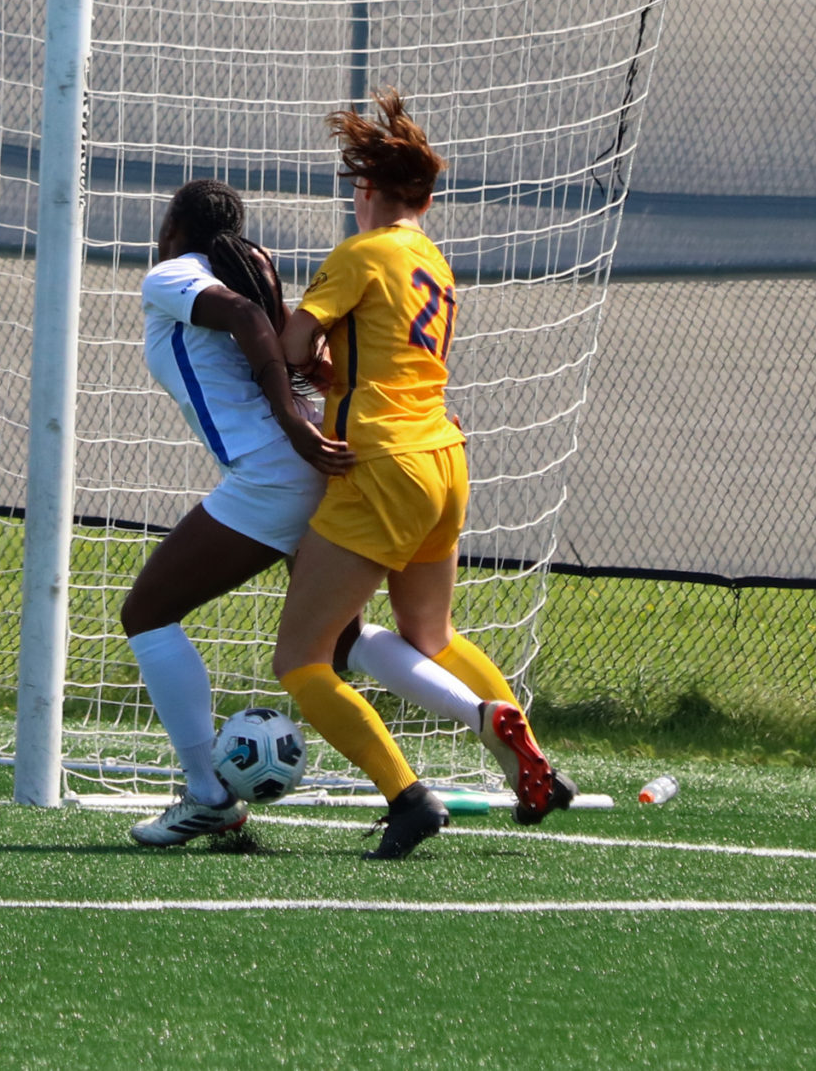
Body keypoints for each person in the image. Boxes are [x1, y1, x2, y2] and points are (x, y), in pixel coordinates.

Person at [119, 178, 543, 847]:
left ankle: (207, 793)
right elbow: (283, 341)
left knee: (147, 613)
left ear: (174, 227)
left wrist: (289, 418)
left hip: (272, 471)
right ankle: (485, 715)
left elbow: (251, 324)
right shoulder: (250, 261)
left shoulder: (175, 271)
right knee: (344, 638)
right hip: (319, 464)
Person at [271, 89, 573, 861]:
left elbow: (291, 346)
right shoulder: (433, 261)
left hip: (381, 463)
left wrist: (313, 359)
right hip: (444, 456)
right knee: (430, 634)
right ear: (428, 198)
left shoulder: (359, 254)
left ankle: (408, 797)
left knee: (303, 657)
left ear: (365, 190)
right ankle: (527, 757)